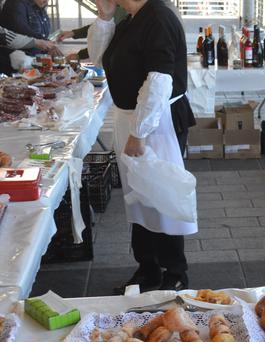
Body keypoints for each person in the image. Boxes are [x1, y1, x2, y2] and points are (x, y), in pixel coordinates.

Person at [87, 0, 196, 292]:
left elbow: (159, 79)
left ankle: (174, 270)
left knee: (161, 195)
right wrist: (105, 17)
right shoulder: (131, 19)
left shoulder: (157, 17)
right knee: (138, 195)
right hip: (134, 118)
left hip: (156, 122)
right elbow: (99, 59)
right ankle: (148, 267)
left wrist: (140, 131)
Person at [0, 0, 54, 74]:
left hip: (33, 63)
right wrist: (47, 43)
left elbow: (43, 34)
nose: (47, 1)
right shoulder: (15, 3)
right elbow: (21, 30)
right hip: (17, 64)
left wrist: (49, 47)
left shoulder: (38, 6)